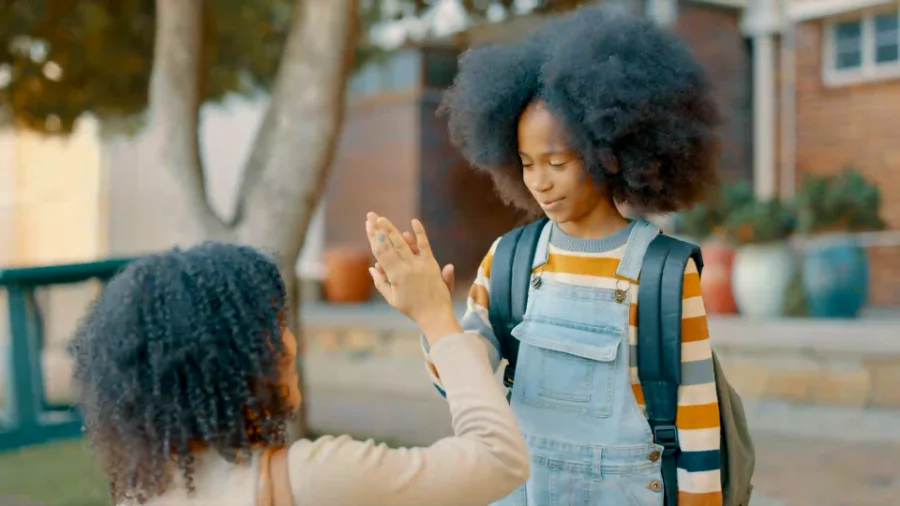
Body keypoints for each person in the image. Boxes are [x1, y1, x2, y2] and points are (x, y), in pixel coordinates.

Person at [400, 5, 724, 506]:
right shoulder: (507, 261)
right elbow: (464, 386)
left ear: (610, 151)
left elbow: (698, 416)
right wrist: (433, 320)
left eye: (557, 162)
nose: (539, 181)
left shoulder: (665, 272)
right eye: (526, 163)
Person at [68, 240, 528, 506]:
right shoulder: (312, 479)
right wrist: (434, 316)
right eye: (272, 329)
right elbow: (498, 460)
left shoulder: (143, 492)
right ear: (232, 359)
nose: (290, 343)